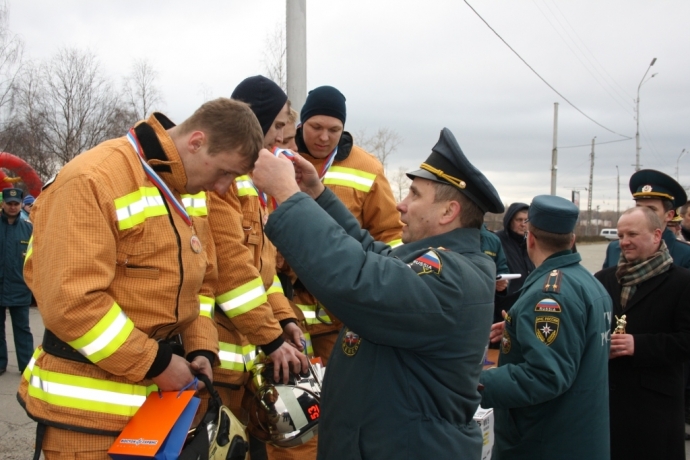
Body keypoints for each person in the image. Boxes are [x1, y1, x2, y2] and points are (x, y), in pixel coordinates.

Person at [17, 98, 264, 459]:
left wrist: (200, 347)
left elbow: (202, 284)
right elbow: (71, 303)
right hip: (86, 417)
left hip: (157, 413)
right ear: (196, 141)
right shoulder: (94, 178)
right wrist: (157, 363)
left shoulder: (187, 190)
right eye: (225, 172)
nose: (224, 188)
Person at [252, 127, 502, 459]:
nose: (401, 204)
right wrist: (316, 194)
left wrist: (287, 193)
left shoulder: (453, 277)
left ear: (448, 212)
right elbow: (372, 255)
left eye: (414, 194)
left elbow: (361, 280)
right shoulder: (440, 263)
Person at [207, 76, 307, 459]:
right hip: (217, 361)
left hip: (247, 358)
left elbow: (264, 271)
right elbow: (232, 273)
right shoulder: (220, 182)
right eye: (278, 124)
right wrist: (273, 339)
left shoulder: (250, 184)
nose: (282, 137)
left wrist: (285, 320)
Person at [479, 195, 612, 460]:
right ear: (571, 240)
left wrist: (475, 383)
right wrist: (517, 329)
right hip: (577, 434)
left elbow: (546, 375)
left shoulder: (549, 295)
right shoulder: (586, 281)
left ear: (530, 238)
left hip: (546, 440)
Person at [595, 206, 690, 460]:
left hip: (656, 409)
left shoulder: (682, 282)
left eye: (632, 235)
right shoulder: (604, 279)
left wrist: (639, 345)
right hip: (610, 403)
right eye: (620, 235)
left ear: (657, 235)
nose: (624, 242)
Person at [602, 169, 690, 269]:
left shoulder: (685, 254)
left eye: (651, 209)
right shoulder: (614, 249)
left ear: (669, 215)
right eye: (639, 208)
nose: (642, 214)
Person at [0, 188, 33, 376]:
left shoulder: (28, 228)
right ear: (3, 204)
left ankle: (26, 365)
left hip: (20, 286)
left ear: (20, 205)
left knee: (22, 328)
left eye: (16, 204)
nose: (12, 207)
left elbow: (36, 258)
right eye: (9, 203)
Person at [495, 202, 535, 318]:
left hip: (527, 307)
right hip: (503, 308)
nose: (523, 224)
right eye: (519, 220)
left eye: (526, 220)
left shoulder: (532, 242)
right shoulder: (497, 241)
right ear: (510, 220)